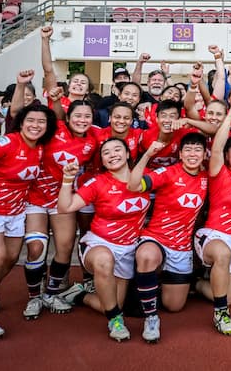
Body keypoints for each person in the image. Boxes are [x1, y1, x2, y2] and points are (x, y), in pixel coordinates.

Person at [0, 102, 56, 339]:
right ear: (21, 123)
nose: (35, 126)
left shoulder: (39, 148)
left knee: (10, 259)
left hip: (16, 213)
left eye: (41, 122)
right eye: (31, 121)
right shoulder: (7, 142)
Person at [56, 139, 149, 342]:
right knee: (105, 263)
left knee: (113, 303)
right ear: (103, 161)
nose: (112, 154)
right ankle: (115, 321)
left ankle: (79, 295)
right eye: (106, 152)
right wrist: (67, 180)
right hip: (99, 243)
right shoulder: (97, 183)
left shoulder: (145, 179)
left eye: (117, 150)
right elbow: (65, 207)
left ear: (127, 154)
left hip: (128, 250)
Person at [126, 132, 209, 342]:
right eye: (187, 149)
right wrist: (146, 155)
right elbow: (133, 185)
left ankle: (150, 286)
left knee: (174, 306)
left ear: (204, 154)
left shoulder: (207, 178)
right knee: (146, 256)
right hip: (157, 238)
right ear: (180, 154)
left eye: (197, 149)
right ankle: (151, 317)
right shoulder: (168, 172)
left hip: (181, 248)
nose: (192, 153)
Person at [21, 93, 97, 319]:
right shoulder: (54, 128)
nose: (82, 120)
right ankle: (34, 296)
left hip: (62, 199)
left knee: (65, 246)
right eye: (77, 116)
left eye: (87, 116)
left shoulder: (92, 141)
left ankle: (51, 293)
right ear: (68, 117)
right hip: (35, 197)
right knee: (36, 247)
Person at [193, 106, 231, 335]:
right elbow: (217, 147)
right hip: (213, 236)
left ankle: (197, 284)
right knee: (222, 255)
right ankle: (220, 314)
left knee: (229, 297)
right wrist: (230, 116)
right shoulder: (220, 172)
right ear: (228, 155)